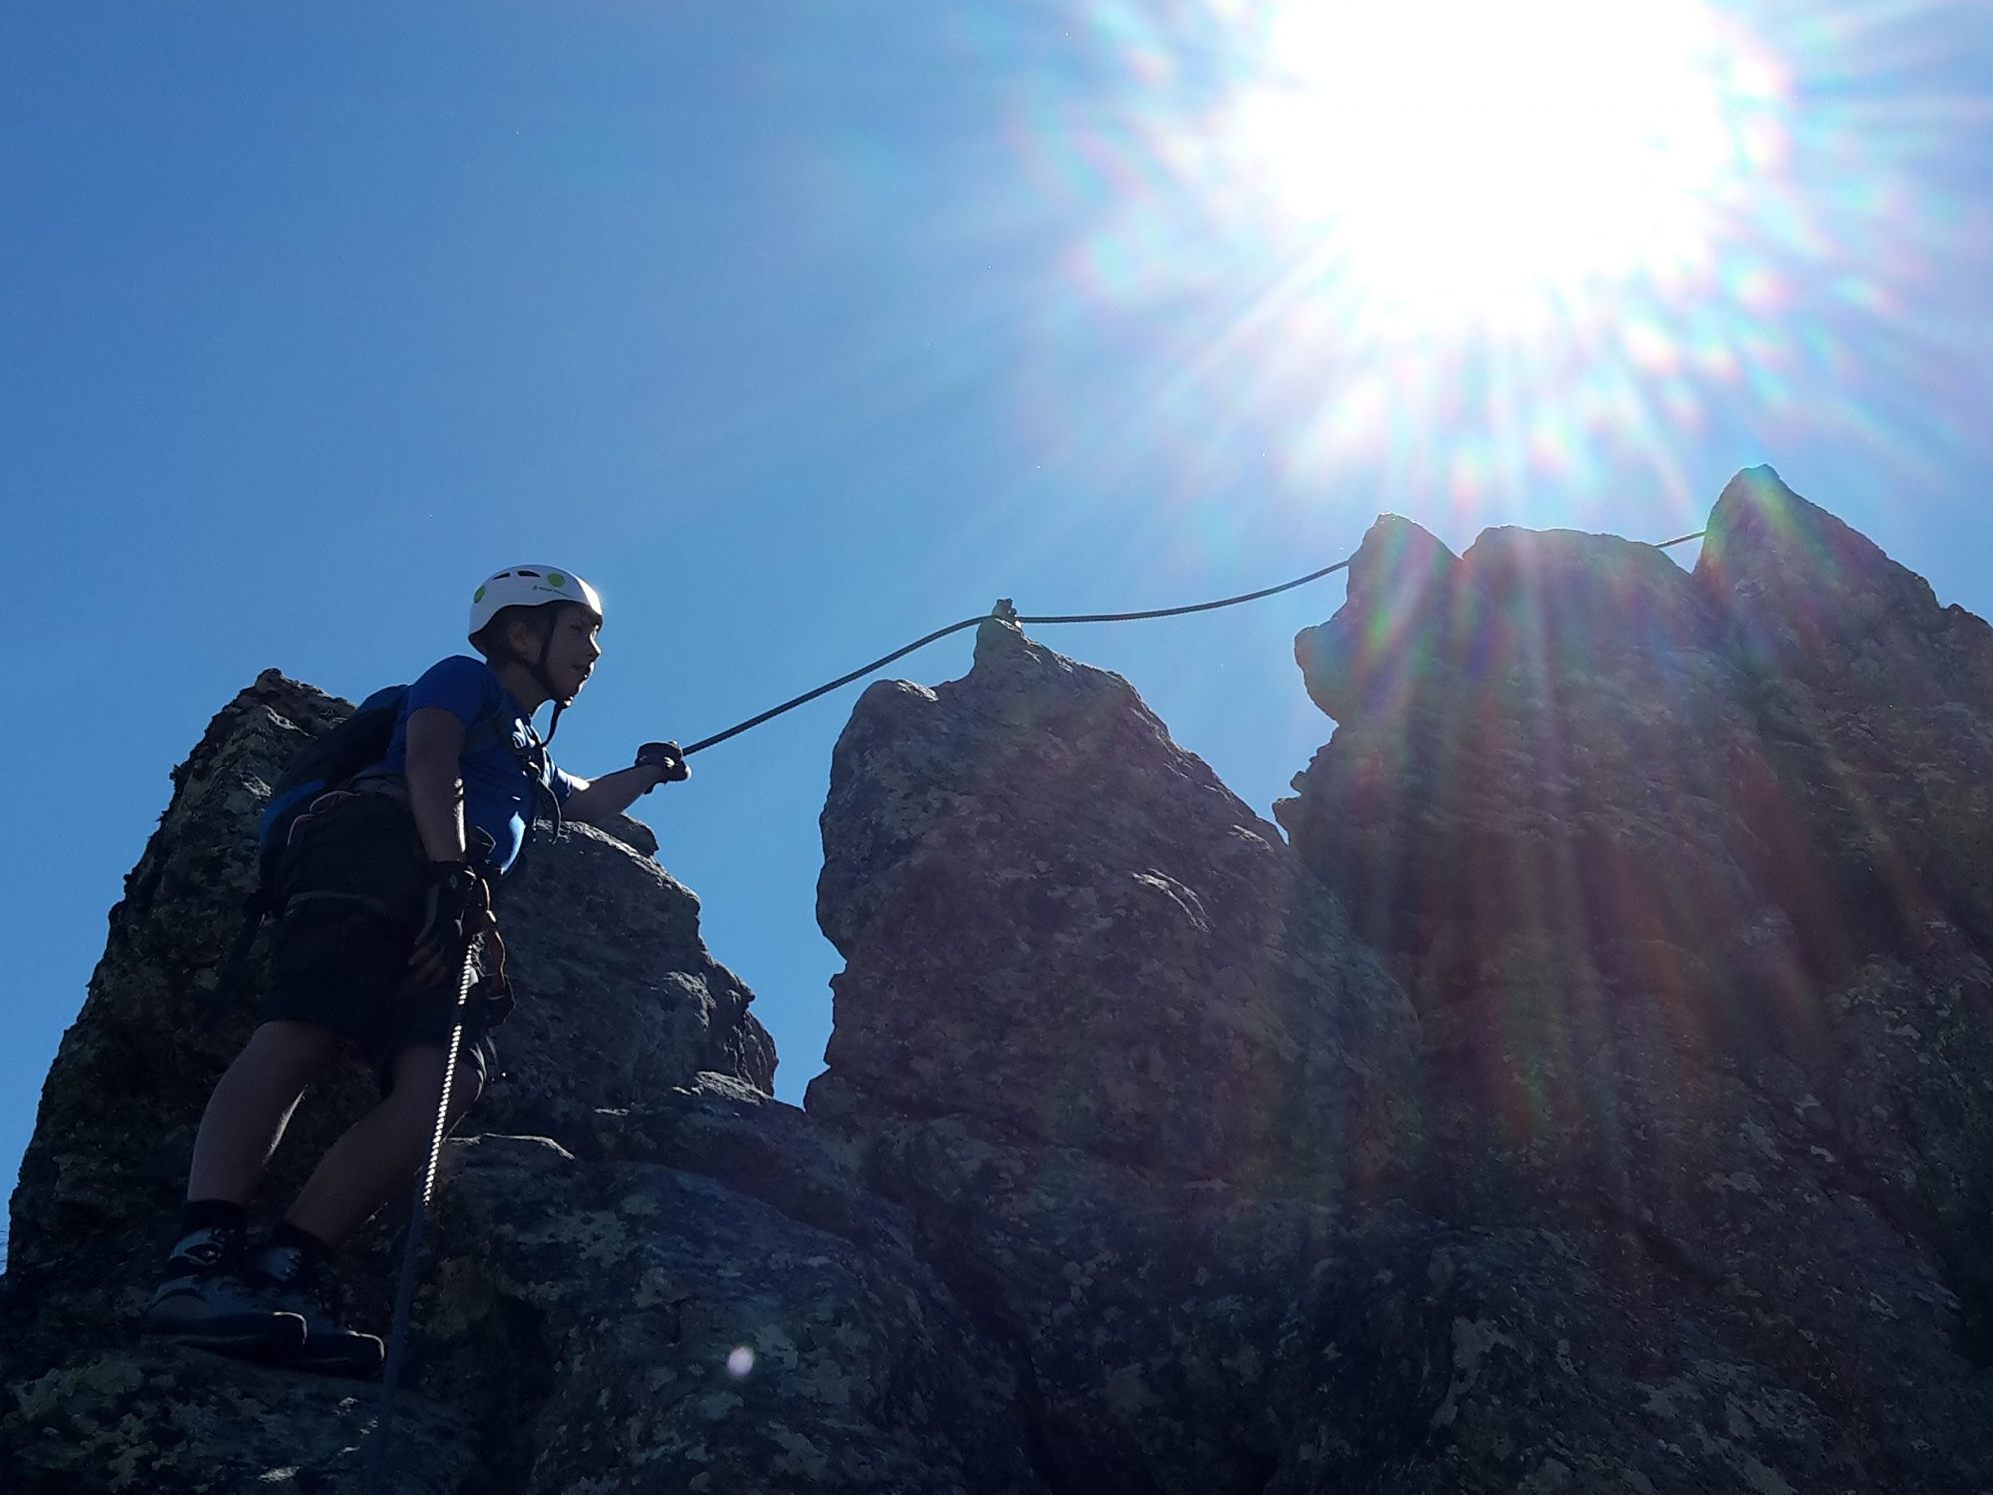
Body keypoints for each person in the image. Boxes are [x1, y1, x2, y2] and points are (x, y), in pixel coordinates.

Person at [142, 565, 688, 1374]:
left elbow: (581, 801)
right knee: (303, 1029)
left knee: (446, 1081)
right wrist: (447, 872)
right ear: (520, 632)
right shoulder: (462, 678)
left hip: (445, 897)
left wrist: (648, 770)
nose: (594, 650)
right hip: (375, 851)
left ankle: (282, 1270)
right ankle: (198, 1265)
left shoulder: (527, 751)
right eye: (579, 629)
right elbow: (430, 756)